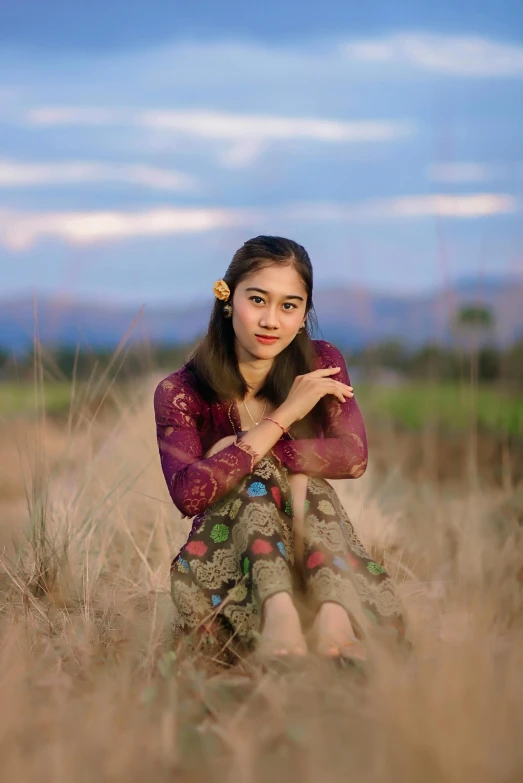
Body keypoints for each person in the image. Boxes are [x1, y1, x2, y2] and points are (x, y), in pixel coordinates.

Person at [154, 235, 406, 663]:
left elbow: (354, 457)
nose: (271, 320)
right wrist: (284, 417)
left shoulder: (319, 363)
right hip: (227, 557)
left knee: (287, 472)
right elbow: (189, 494)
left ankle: (327, 610)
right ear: (227, 297)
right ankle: (283, 611)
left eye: (289, 305)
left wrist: (259, 452)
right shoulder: (182, 390)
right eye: (258, 300)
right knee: (256, 473)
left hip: (309, 546)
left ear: (304, 312)